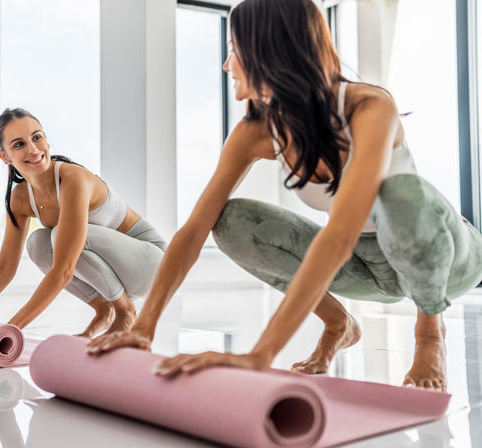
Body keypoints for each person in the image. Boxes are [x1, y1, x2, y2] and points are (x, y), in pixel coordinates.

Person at [88, 0, 482, 392]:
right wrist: (143, 329)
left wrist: (260, 354)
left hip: (445, 261)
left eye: (235, 50)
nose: (228, 65)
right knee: (231, 221)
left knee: (399, 193)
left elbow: (340, 235)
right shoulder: (255, 133)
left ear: (270, 52)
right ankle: (338, 323)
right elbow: (194, 232)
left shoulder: (369, 106)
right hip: (369, 269)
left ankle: (430, 333)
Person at [0, 108, 167, 337]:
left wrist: (11, 329)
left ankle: (124, 311)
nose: (33, 149)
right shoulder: (20, 198)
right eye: (19, 144)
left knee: (60, 237)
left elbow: (64, 270)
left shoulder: (73, 180)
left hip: (151, 264)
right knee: (37, 243)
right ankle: (104, 311)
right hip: (118, 270)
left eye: (37, 138)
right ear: (4, 156)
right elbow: (6, 267)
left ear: (47, 140)